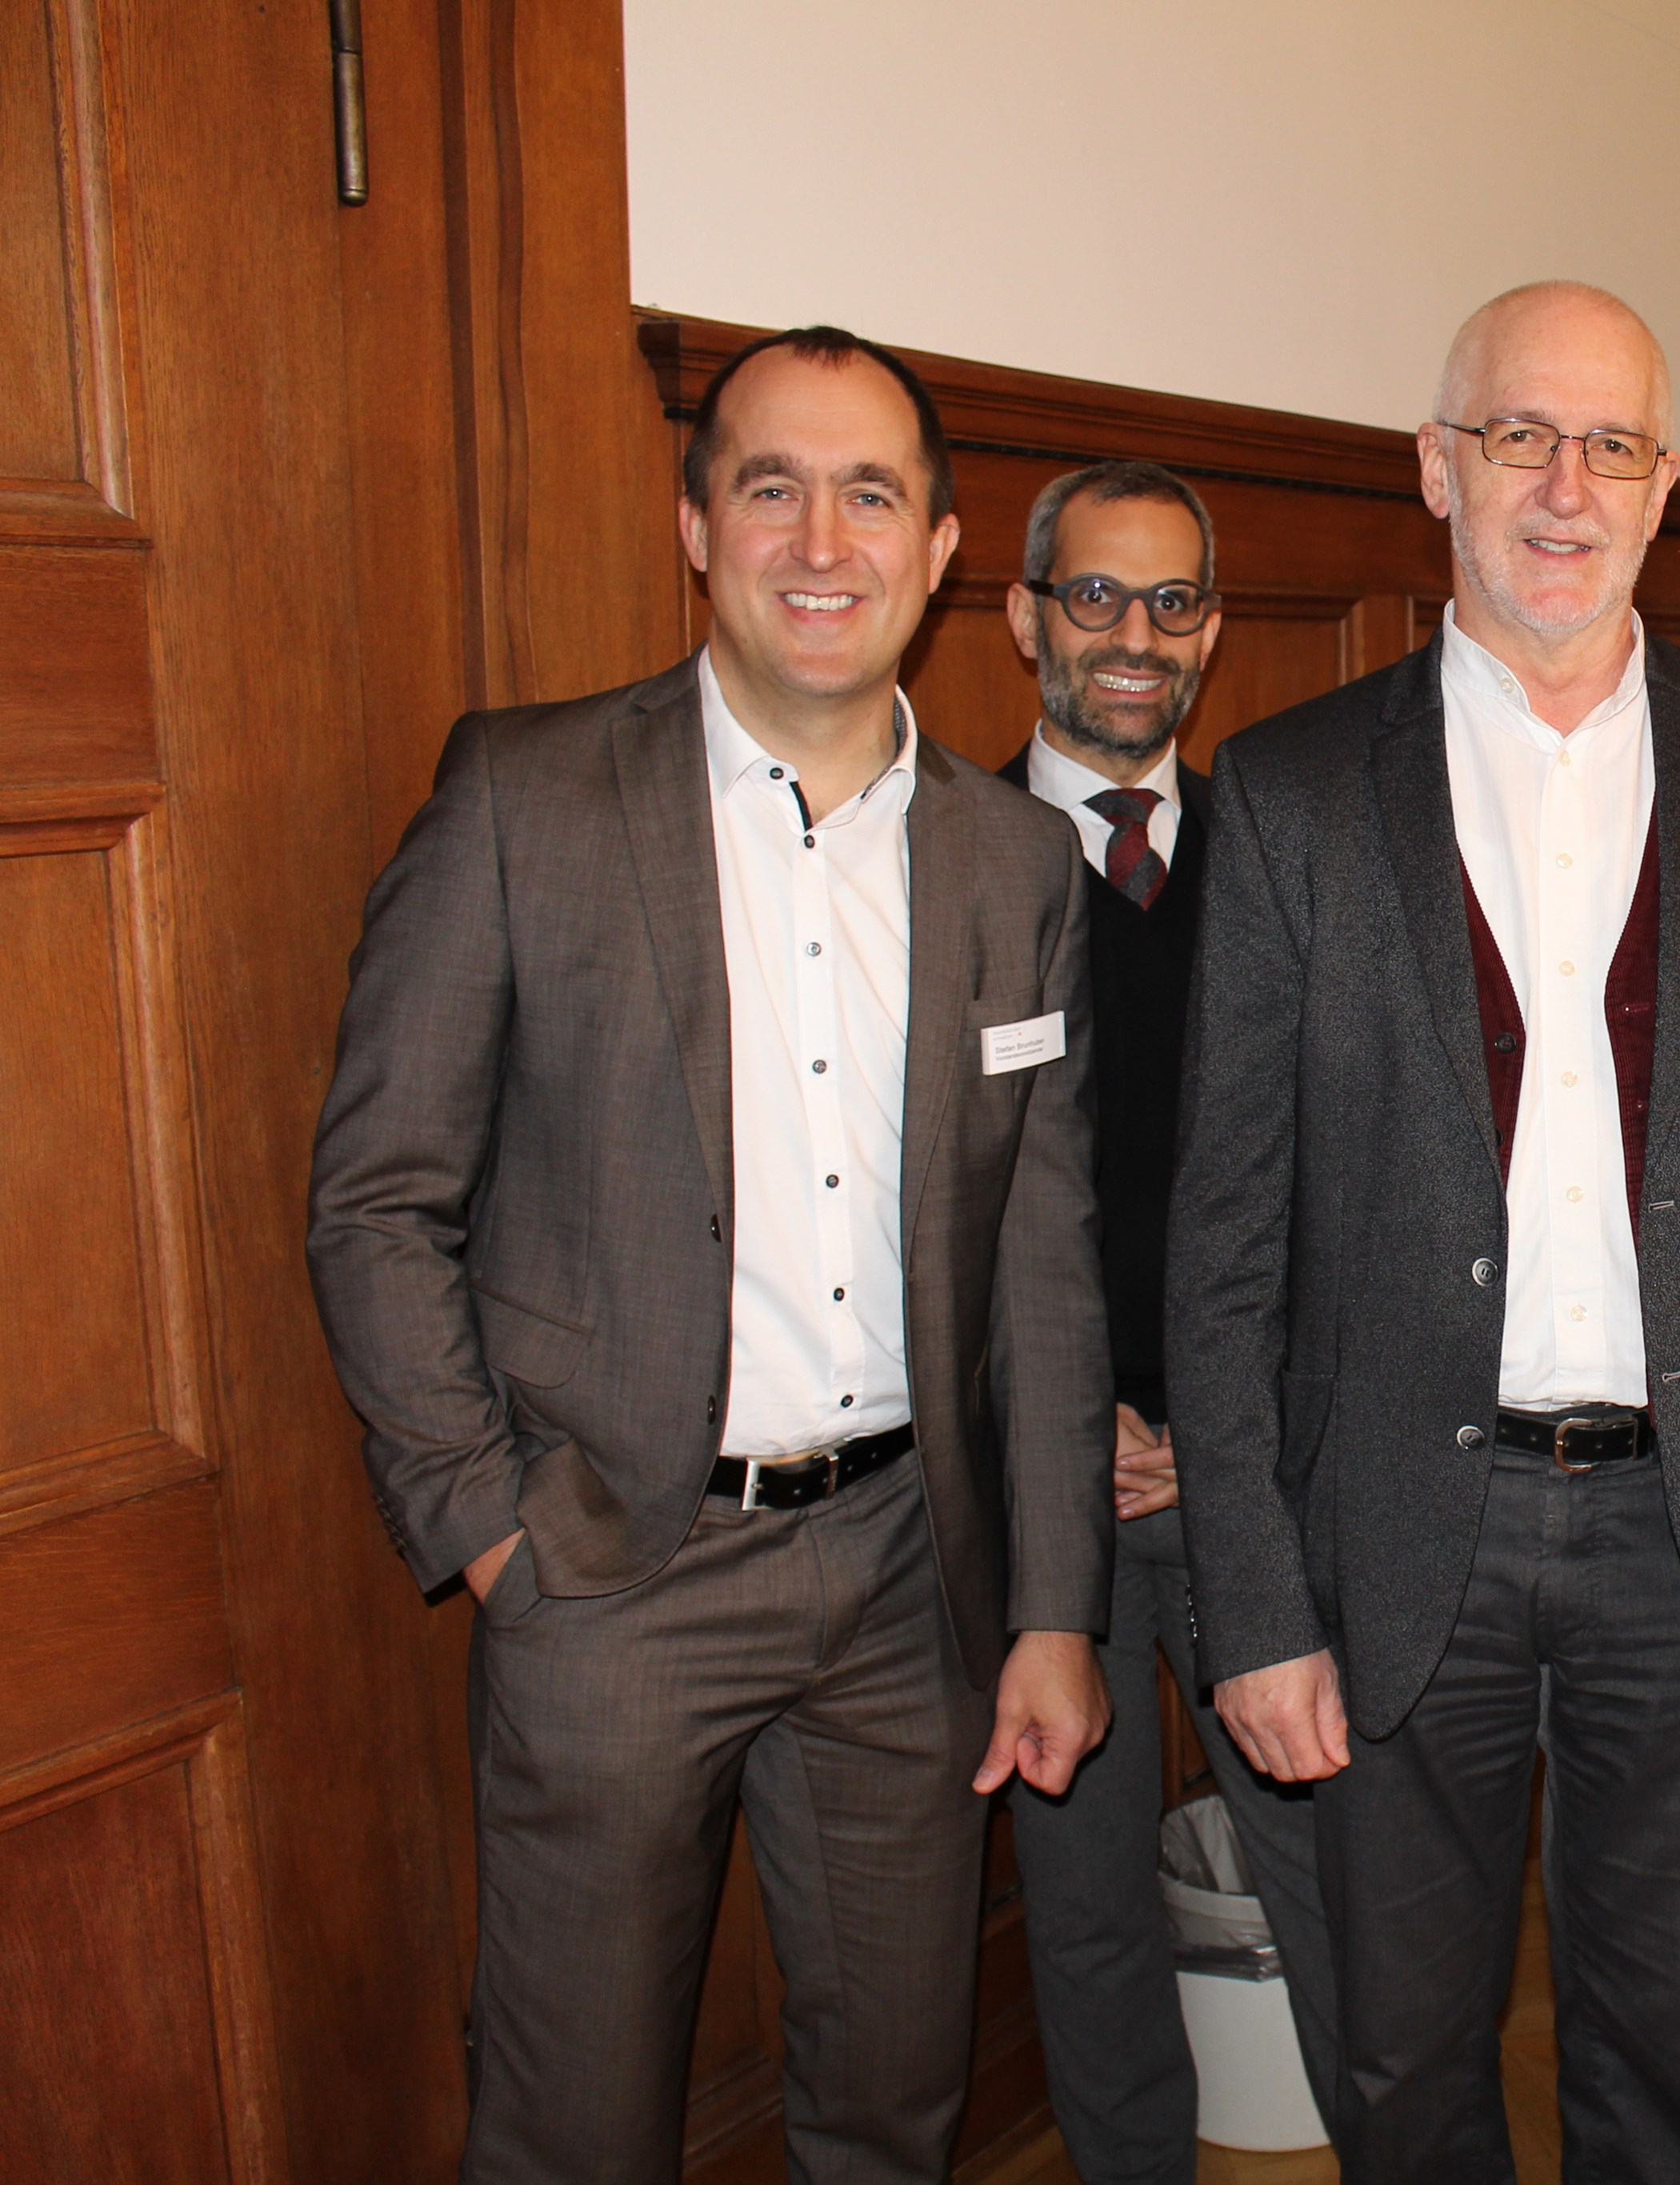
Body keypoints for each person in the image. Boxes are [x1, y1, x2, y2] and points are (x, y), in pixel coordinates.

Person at [306, 326, 1111, 2184]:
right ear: (695, 526)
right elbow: (376, 1198)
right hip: (610, 1576)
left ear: (940, 551)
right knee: (573, 2128)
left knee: (893, 2113)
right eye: (770, 485)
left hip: (914, 1586)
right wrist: (492, 1529)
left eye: (870, 494)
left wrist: (1055, 1608)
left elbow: (1046, 1273)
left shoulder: (1013, 869)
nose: (819, 538)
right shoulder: (524, 801)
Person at [1162, 281, 1680, 2183]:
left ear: (1664, 491)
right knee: (1403, 2067)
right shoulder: (1291, 794)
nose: (1563, 486)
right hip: (1403, 1531)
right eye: (1519, 435)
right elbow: (1224, 1242)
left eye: (1612, 446)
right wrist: (1251, 1606)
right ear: (1438, 468)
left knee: (1657, 2057)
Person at [994, 459, 1341, 2178]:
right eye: (1095, 595)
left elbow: (1343, 1189)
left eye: (1171, 602)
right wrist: (1072, 1427)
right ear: (1021, 614)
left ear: (1211, 630)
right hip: (1037, 1497)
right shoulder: (947, 869)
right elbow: (918, 1212)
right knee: (1088, 1919)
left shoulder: (1287, 863)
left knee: (1335, 1889)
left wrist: (1216, 1422)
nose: (1133, 637)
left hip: (1252, 1476)